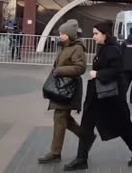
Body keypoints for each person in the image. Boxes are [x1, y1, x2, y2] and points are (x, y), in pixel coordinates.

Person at [63, 21, 132, 171]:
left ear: (104, 34)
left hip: (110, 97)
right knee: (86, 126)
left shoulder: (112, 49)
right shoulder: (103, 48)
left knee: (122, 125)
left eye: (96, 34)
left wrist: (98, 74)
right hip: (96, 97)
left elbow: (117, 70)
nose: (93, 37)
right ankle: (81, 159)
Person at [38, 20, 86, 164]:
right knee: (64, 119)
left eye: (63, 33)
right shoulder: (66, 46)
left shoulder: (76, 48)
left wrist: (59, 70)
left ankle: (55, 153)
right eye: (60, 33)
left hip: (67, 90)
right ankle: (86, 136)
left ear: (70, 35)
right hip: (62, 89)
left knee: (60, 118)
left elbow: (80, 68)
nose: (60, 36)